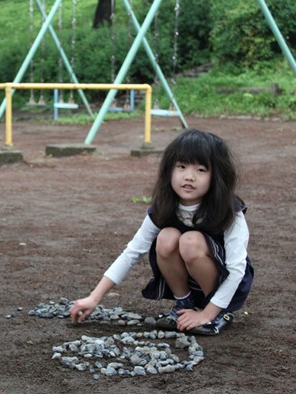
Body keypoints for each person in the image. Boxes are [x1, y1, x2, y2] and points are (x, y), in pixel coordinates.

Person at [70, 129, 253, 335]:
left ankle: (218, 313)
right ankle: (184, 305)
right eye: (181, 167)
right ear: (169, 169)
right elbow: (132, 252)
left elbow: (237, 270)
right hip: (192, 285)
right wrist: (94, 298)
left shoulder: (229, 211)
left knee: (190, 241)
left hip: (225, 288)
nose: (189, 176)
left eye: (201, 170)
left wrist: (207, 314)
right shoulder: (165, 208)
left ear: (216, 175)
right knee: (166, 238)